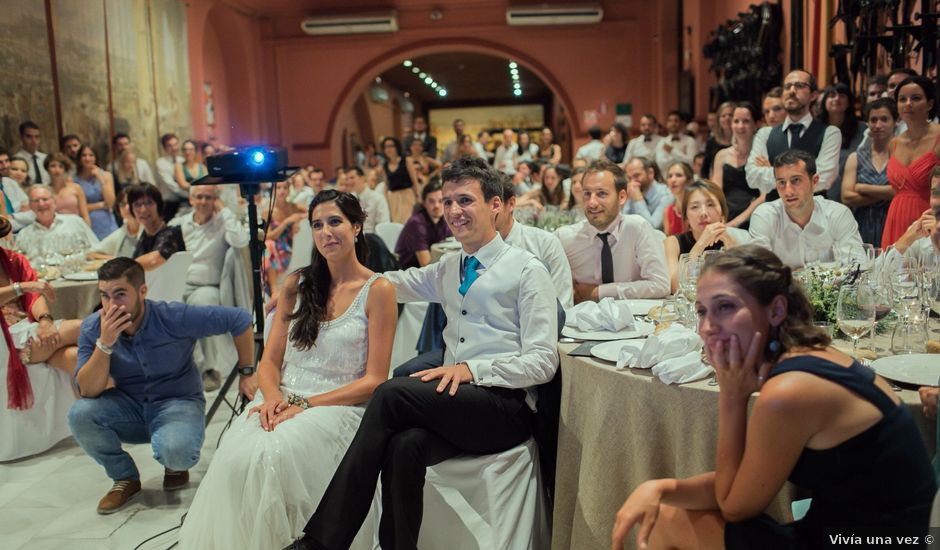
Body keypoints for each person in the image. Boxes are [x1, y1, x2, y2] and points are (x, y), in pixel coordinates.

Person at [282, 156, 557, 550]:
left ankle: (322, 542)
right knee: (403, 445)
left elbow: (544, 361)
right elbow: (387, 283)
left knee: (391, 391)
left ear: (495, 205)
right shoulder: (449, 268)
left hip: (506, 409)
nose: (453, 211)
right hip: (458, 407)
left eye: (465, 201)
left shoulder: (528, 270)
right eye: (447, 202)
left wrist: (471, 369)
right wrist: (312, 280)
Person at [611, 244, 937, 550]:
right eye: (701, 311)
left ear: (777, 309)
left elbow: (735, 505)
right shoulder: (810, 354)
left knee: (668, 522)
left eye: (725, 307)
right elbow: (747, 479)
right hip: (866, 532)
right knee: (671, 511)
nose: (707, 327)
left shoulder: (789, 391)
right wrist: (662, 488)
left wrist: (732, 397)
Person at [180, 190, 396, 549]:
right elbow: (269, 362)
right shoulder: (297, 284)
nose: (326, 232)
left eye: (335, 222)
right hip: (281, 399)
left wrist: (307, 406)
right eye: (317, 225)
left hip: (338, 404)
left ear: (357, 227)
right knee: (237, 460)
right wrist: (272, 398)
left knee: (274, 457)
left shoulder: (379, 289)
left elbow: (375, 381)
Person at [68, 257, 256, 514]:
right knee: (80, 415)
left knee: (176, 451)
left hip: (178, 402)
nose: (111, 305)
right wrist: (105, 343)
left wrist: (247, 372)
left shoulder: (173, 316)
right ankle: (125, 478)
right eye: (105, 296)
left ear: (142, 291)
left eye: (120, 294)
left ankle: (174, 462)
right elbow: (87, 391)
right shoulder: (94, 327)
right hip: (130, 406)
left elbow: (240, 319)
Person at [169, 185, 249, 390]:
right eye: (199, 197)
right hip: (179, 284)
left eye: (208, 197)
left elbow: (241, 240)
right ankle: (174, 371)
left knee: (199, 306)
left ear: (215, 199)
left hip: (209, 286)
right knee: (163, 307)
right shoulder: (179, 224)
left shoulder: (222, 222)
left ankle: (209, 370)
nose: (203, 201)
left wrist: (225, 211)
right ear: (191, 199)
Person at [556, 159, 670, 302]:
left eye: (601, 194)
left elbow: (661, 284)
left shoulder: (636, 228)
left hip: (635, 319)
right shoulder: (565, 238)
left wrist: (599, 292)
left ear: (622, 197)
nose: (592, 202)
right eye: (587, 194)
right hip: (580, 321)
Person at [0, 217, 81, 409]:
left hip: (27, 330)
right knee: (83, 327)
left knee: (75, 355)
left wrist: (45, 321)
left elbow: (35, 296)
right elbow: (30, 288)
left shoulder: (13, 259)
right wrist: (21, 287)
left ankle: (91, 421)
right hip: (5, 340)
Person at [748, 149, 865, 268]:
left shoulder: (838, 214)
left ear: (814, 181)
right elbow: (759, 269)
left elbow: (857, 266)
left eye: (796, 180)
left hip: (830, 286)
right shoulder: (765, 216)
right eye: (782, 182)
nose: (788, 191)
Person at [747, 70, 842, 196]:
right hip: (774, 212)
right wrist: (802, 175)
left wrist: (772, 171)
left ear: (813, 95)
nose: (792, 91)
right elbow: (752, 178)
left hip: (812, 213)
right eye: (787, 87)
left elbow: (824, 179)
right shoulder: (765, 134)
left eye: (799, 86)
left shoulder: (829, 133)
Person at [881, 75, 940, 248]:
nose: (908, 104)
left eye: (916, 98)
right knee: (891, 269)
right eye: (902, 99)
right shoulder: (894, 143)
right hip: (896, 215)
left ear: (930, 104)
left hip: (929, 217)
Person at [496, 176, 574, 307]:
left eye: (494, 205)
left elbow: (561, 305)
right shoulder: (470, 251)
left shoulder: (544, 244)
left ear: (511, 204)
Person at [664, 180, 749, 292]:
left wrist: (733, 250)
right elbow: (675, 286)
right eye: (695, 207)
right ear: (686, 218)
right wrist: (701, 244)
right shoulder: (672, 243)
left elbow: (746, 285)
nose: (703, 213)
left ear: (722, 214)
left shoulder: (737, 240)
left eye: (710, 205)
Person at [841, 97, 898, 246]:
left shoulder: (901, 156)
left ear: (895, 121)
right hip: (862, 226)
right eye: (873, 120)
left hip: (894, 223)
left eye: (884, 119)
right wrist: (888, 194)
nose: (878, 125)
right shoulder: (855, 157)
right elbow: (847, 197)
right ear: (867, 123)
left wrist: (862, 188)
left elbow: (901, 193)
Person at [712, 102, 764, 229]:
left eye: (746, 121)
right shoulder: (721, 155)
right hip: (725, 215)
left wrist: (737, 222)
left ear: (756, 125)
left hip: (754, 216)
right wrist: (720, 217)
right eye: (736, 121)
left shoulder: (762, 156)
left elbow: (764, 196)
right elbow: (716, 191)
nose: (740, 126)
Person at [14, 185, 99, 261]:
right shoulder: (24, 235)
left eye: (45, 199)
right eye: (36, 200)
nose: (41, 204)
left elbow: (96, 249)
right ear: (30, 206)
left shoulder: (75, 222)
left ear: (54, 202)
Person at [820, 82, 867, 203]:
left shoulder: (862, 130)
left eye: (842, 95)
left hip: (852, 193)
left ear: (849, 102)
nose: (836, 98)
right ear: (824, 101)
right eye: (831, 95)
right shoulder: (815, 130)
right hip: (820, 193)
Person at [128, 183, 185, 271]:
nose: (143, 210)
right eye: (137, 204)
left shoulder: (172, 233)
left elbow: (154, 261)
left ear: (159, 205)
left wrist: (123, 266)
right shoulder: (144, 235)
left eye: (148, 203)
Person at [395, 180, 451, 269]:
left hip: (430, 269)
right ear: (424, 203)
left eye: (440, 201)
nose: (436, 205)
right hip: (409, 271)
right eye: (431, 201)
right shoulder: (416, 223)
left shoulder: (444, 219)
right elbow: (425, 265)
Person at [264, 180, 305, 298]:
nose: (282, 191)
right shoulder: (268, 211)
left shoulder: (293, 207)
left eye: (285, 188)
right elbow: (269, 235)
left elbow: (313, 212)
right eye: (279, 188)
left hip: (292, 244)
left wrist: (298, 221)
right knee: (269, 245)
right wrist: (287, 222)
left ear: (289, 190)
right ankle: (273, 290)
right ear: (274, 190)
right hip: (277, 245)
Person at [73, 145, 118, 239]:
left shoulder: (106, 175)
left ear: (96, 157)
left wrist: (100, 179)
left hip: (106, 223)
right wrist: (100, 205)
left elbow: (111, 203)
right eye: (84, 155)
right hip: (85, 222)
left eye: (91, 155)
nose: (87, 158)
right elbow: (76, 208)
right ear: (79, 158)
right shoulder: (73, 179)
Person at [622, 156, 674, 230]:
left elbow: (653, 227)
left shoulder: (666, 194)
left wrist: (639, 200)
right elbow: (623, 225)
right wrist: (626, 202)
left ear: (650, 173)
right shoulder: (633, 191)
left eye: (636, 176)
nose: (632, 182)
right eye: (629, 178)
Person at [88, 190, 140, 260]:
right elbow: (91, 253)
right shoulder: (121, 233)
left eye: (131, 203)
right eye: (123, 204)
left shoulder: (150, 231)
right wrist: (116, 259)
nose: (127, 208)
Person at [378, 137, 416, 224]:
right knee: (397, 225)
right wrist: (386, 200)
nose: (388, 149)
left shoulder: (406, 160)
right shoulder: (385, 165)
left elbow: (414, 181)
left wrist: (418, 198)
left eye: (391, 146)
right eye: (386, 147)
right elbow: (386, 185)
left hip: (407, 195)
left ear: (397, 147)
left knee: (409, 222)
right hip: (393, 198)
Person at [45, 153, 91, 225]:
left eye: (61, 166)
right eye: (53, 166)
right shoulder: (44, 191)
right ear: (47, 169)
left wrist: (88, 233)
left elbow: (85, 215)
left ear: (65, 170)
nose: (57, 170)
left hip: (76, 227)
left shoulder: (76, 188)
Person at [346, 166, 390, 233]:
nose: (349, 182)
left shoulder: (378, 198)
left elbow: (384, 223)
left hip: (372, 238)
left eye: (352, 178)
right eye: (347, 179)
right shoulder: (350, 199)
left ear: (362, 178)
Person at [154, 133, 188, 220]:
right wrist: (190, 193)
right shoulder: (161, 163)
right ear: (165, 148)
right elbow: (171, 185)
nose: (174, 148)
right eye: (170, 146)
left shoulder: (183, 160)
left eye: (175, 144)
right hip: (169, 204)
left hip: (185, 202)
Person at [701, 101, 734, 178]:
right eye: (723, 116)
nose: (727, 118)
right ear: (718, 120)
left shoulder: (742, 140)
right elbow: (704, 169)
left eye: (730, 115)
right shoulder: (712, 141)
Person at [661, 161, 693, 236]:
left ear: (689, 180)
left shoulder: (697, 208)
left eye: (678, 175)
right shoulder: (668, 211)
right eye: (670, 176)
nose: (673, 180)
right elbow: (667, 241)